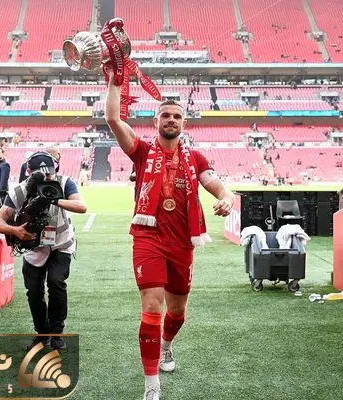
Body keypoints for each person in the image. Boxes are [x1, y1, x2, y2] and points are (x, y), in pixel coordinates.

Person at [104, 68, 234, 400]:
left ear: (184, 124)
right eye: (165, 115)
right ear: (156, 121)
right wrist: (115, 83)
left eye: (177, 116)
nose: (171, 120)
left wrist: (227, 198)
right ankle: (151, 385)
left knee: (176, 312)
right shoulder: (142, 151)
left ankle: (166, 346)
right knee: (152, 306)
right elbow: (114, 120)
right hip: (148, 238)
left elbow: (215, 184)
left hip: (182, 243)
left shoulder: (195, 158)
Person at [0, 152, 87, 350]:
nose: (46, 178)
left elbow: (81, 206)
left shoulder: (64, 182)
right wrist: (15, 231)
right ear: (29, 172)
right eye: (40, 175)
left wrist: (52, 199)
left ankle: (57, 333)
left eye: (49, 174)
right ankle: (42, 334)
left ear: (55, 169)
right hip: (34, 246)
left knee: (56, 282)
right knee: (34, 291)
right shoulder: (19, 191)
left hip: (61, 243)